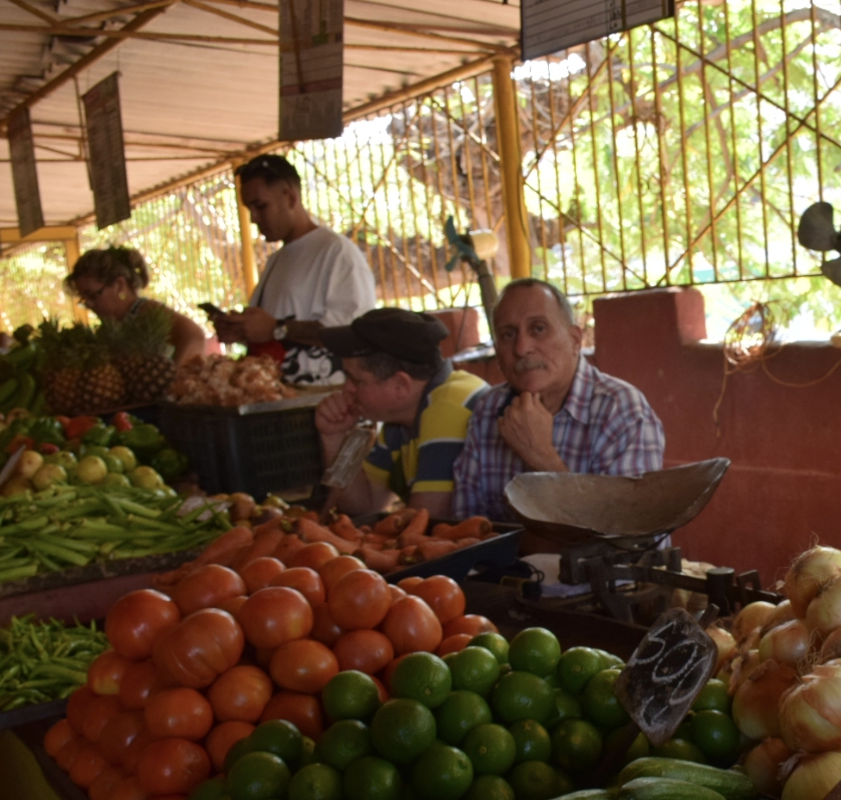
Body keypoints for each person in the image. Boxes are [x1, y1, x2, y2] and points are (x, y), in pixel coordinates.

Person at [453, 279, 665, 523]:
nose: (521, 348)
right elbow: (467, 529)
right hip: (505, 563)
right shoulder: (487, 411)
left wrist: (541, 456)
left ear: (575, 340)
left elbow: (629, 534)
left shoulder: (621, 411)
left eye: (538, 329)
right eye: (508, 334)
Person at [215, 154, 378, 385]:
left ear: (290, 197)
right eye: (249, 208)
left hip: (324, 404)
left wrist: (277, 329)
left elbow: (353, 334)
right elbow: (270, 332)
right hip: (277, 398)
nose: (254, 218)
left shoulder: (336, 252)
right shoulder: (275, 261)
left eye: (260, 206)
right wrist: (242, 332)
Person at [315, 308, 487, 519]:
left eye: (357, 381)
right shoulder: (400, 422)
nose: (346, 390)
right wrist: (334, 437)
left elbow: (424, 520)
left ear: (400, 385)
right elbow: (363, 505)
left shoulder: (447, 406)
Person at [65, 247, 207, 364]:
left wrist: (175, 379)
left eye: (93, 295)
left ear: (119, 285)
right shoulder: (111, 326)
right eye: (84, 299)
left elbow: (194, 335)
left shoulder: (147, 310)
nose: (90, 304)